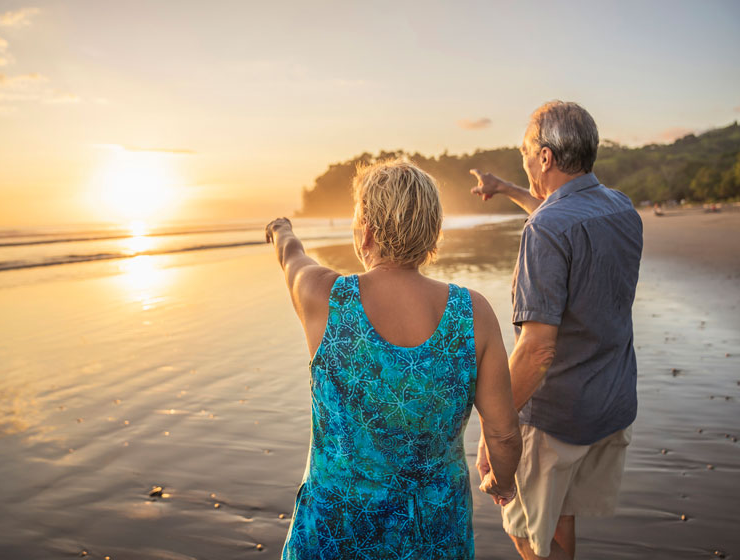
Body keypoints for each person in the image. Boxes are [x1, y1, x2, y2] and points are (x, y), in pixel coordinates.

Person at [266, 159, 522, 559]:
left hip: (336, 532)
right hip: (433, 534)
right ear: (432, 232)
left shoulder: (325, 297)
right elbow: (504, 434)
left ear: (366, 230)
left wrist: (281, 229)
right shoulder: (473, 314)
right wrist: (502, 483)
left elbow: (291, 256)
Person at [470, 101, 643, 560]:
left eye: (526, 152)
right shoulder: (620, 209)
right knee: (560, 515)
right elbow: (558, 213)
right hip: (612, 403)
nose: (524, 160)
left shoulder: (546, 230)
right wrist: (507, 187)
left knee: (526, 530)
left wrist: (495, 428)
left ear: (544, 157)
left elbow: (537, 351)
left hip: (558, 417)